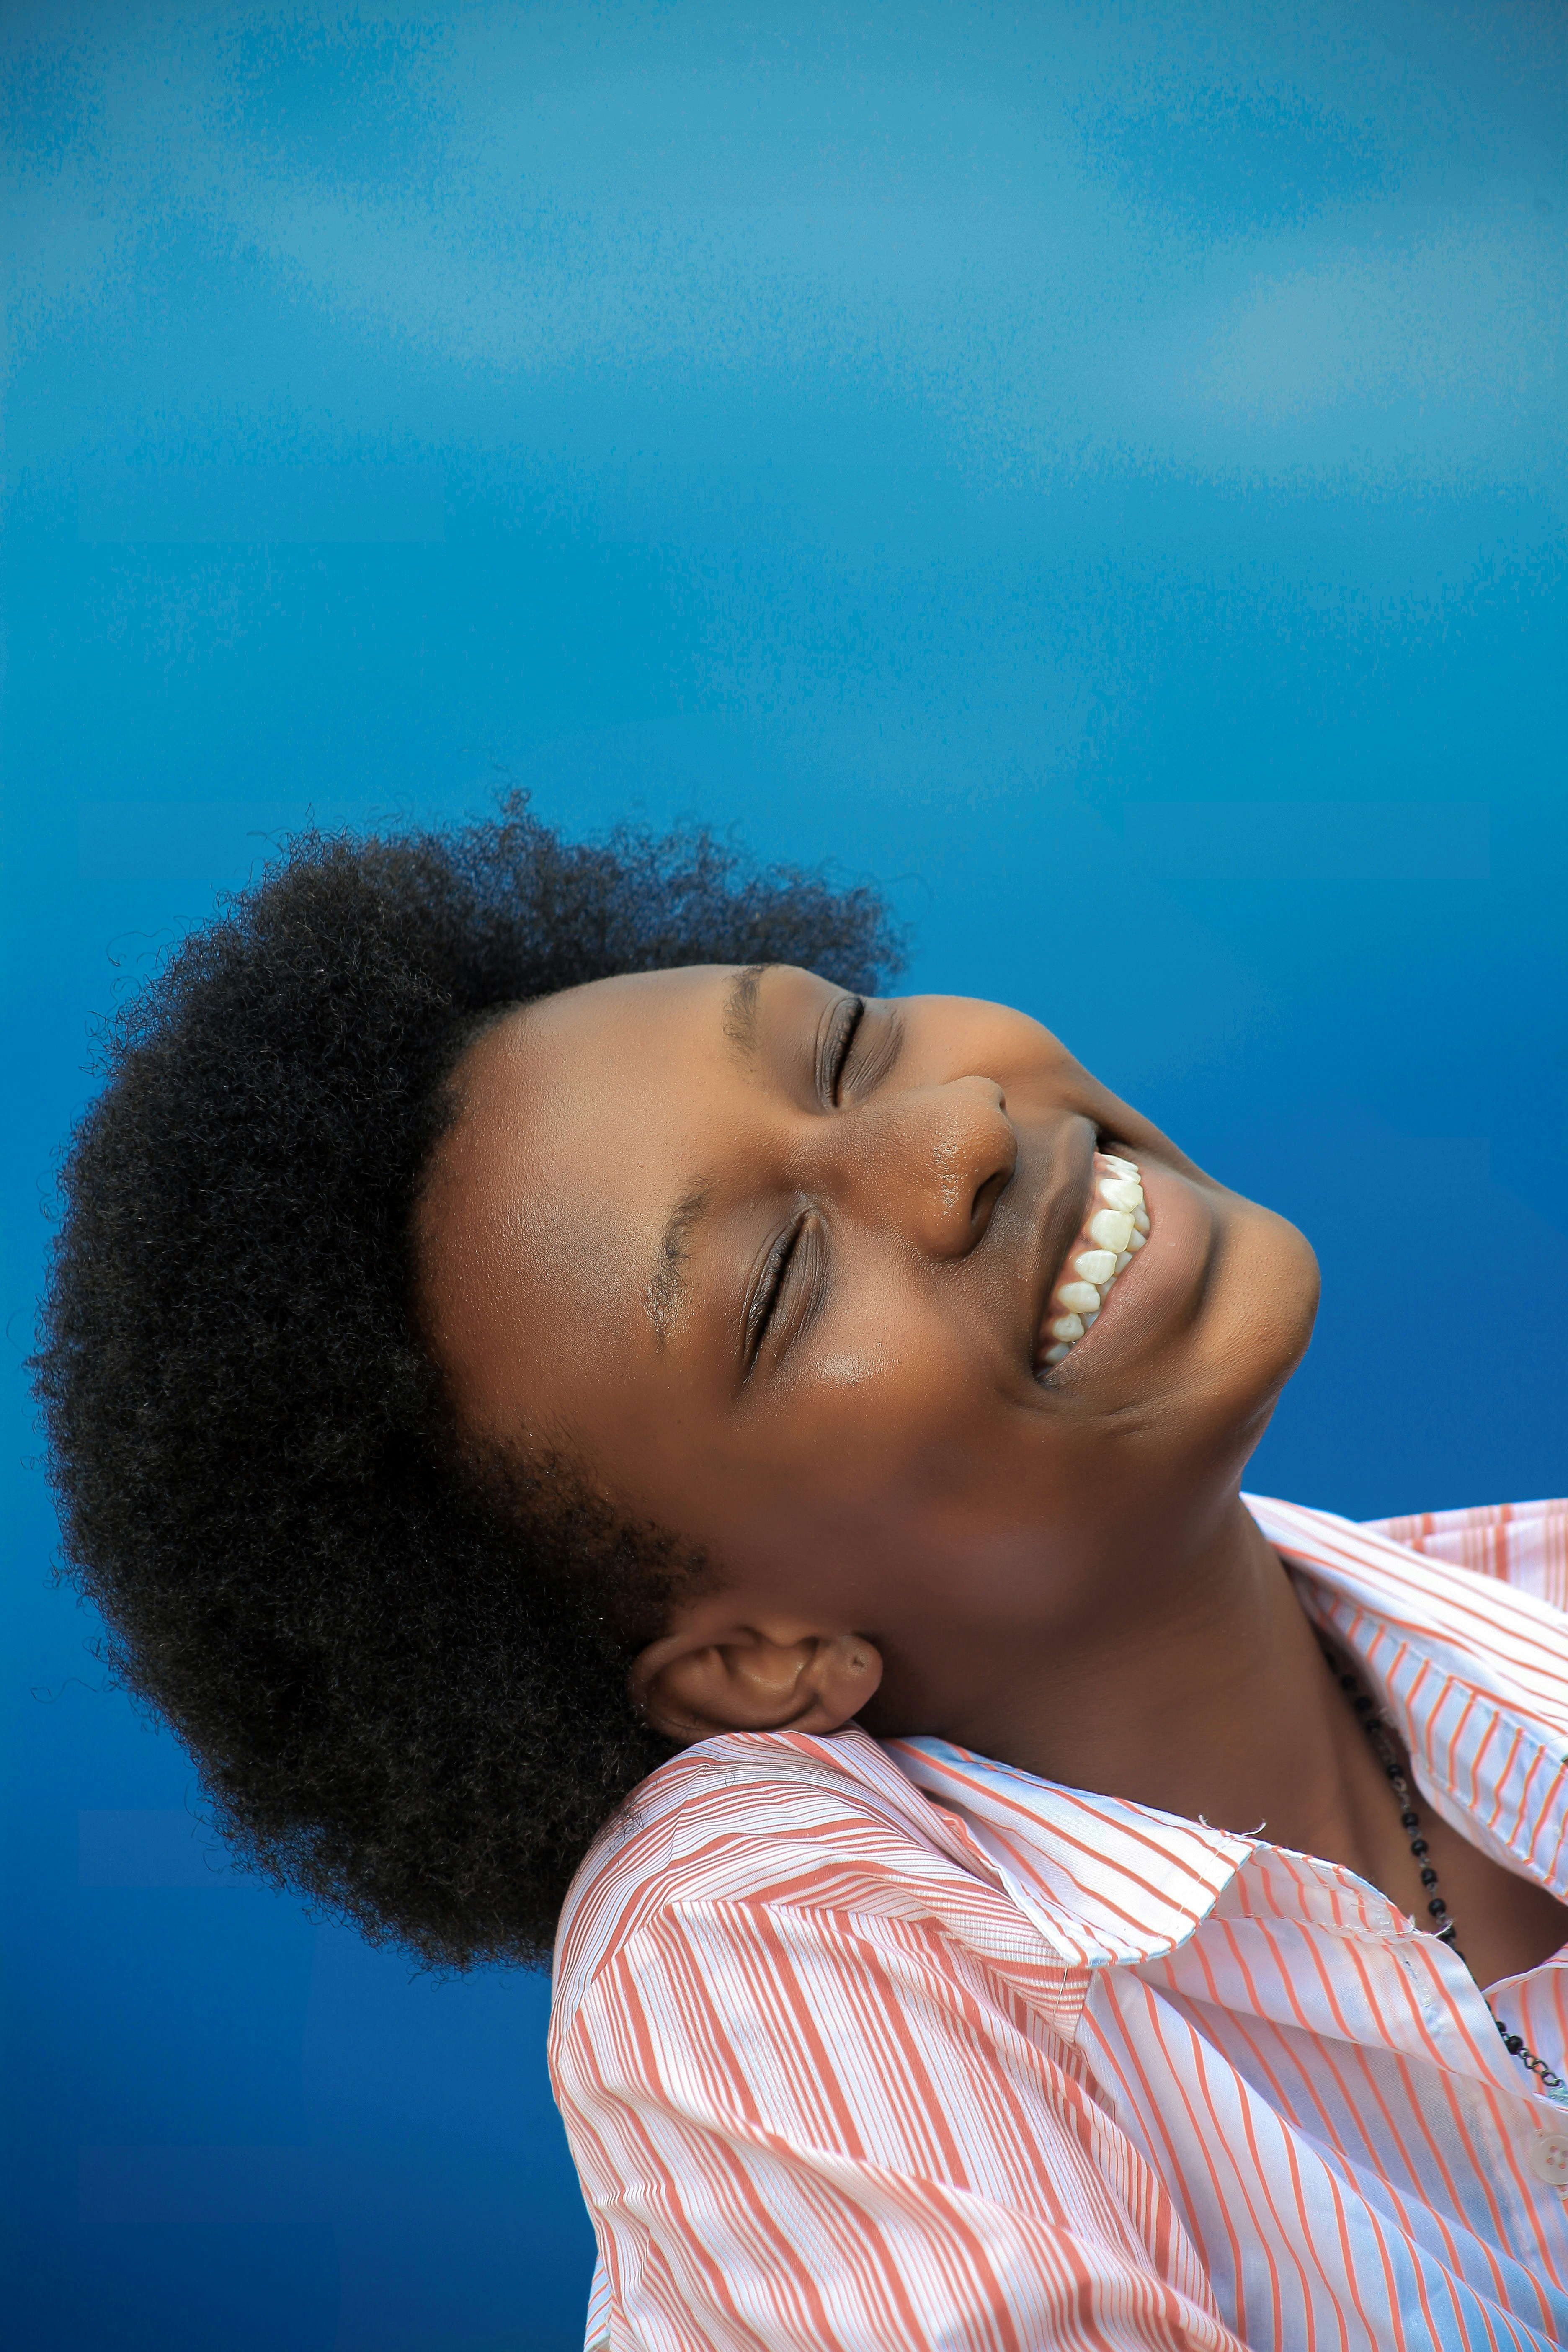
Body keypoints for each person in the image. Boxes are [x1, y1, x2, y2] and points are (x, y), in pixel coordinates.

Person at [34, 799, 1568, 2352]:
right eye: (779, 1281)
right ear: (757, 1658)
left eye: (846, 1048)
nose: (958, 1129)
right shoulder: (751, 1924)